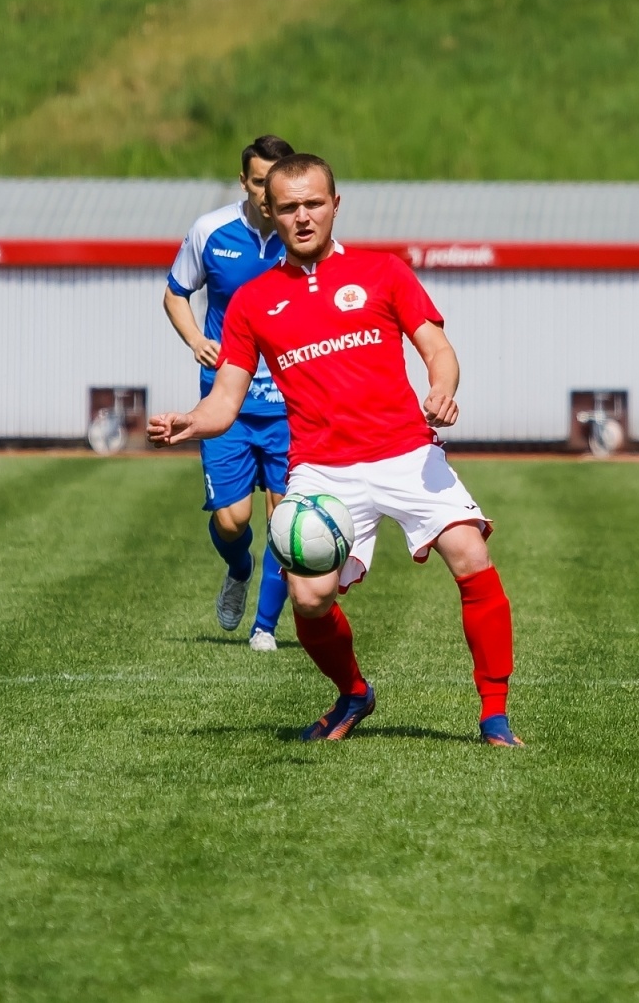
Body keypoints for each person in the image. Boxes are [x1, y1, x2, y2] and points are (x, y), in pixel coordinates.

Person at [147, 153, 523, 747]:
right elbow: (225, 400)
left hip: (405, 451)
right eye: (289, 207)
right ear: (268, 212)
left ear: (335, 205)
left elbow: (438, 348)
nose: (303, 217)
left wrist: (442, 391)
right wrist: (188, 423)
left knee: (470, 555)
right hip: (323, 468)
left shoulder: (384, 272)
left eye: (314, 203)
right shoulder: (251, 302)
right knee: (309, 595)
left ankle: (495, 716)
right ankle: (353, 693)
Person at [163, 135, 295, 652]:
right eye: (259, 181)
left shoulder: (306, 237)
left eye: (276, 181)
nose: (268, 192)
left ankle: (264, 628)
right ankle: (238, 569)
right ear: (244, 181)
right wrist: (196, 339)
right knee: (232, 520)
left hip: (291, 406)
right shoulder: (210, 231)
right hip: (227, 403)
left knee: (285, 523)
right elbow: (175, 294)